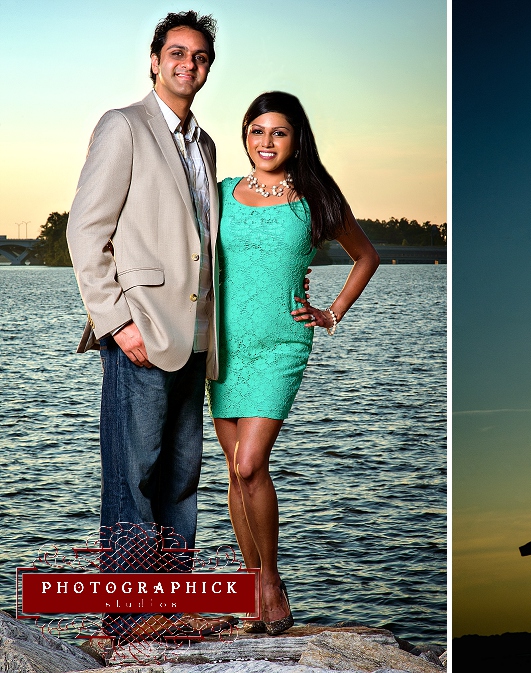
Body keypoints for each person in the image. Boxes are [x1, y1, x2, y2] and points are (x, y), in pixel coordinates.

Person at [67, 10, 235, 641]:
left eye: (198, 57)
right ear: (155, 58)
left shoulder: (206, 144)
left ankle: (170, 607)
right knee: (133, 475)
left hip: (194, 336)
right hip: (140, 334)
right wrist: (116, 323)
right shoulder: (125, 126)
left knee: (182, 477)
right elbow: (86, 232)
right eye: (176, 53)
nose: (186, 65)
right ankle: (130, 615)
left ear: (207, 69)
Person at [206, 91, 380, 636]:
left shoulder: (314, 198)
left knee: (251, 463)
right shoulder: (221, 193)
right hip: (221, 344)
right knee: (236, 471)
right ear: (245, 135)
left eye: (278, 133)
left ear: (296, 139)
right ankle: (248, 580)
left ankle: (271, 580)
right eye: (256, 130)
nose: (265, 142)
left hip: (281, 344)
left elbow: (366, 255)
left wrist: (332, 312)